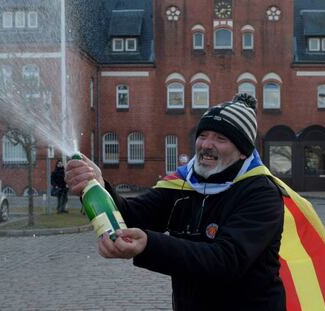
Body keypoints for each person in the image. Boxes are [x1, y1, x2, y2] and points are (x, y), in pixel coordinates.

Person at [66, 93, 286, 310]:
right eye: (203, 135)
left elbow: (226, 260)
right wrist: (97, 186)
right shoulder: (182, 184)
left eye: (221, 139)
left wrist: (148, 245)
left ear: (242, 152)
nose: (207, 144)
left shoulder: (261, 193)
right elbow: (133, 214)